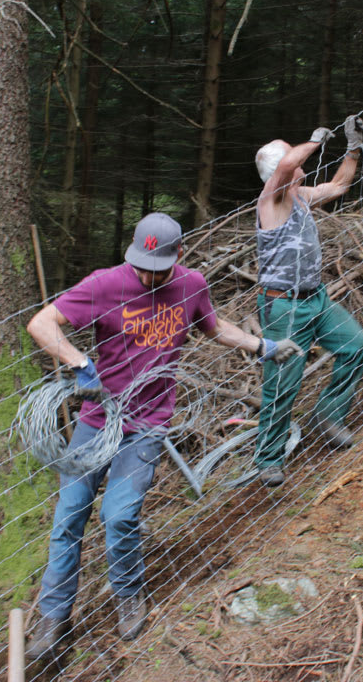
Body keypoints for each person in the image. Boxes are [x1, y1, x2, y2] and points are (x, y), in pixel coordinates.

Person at [24, 212, 301, 657]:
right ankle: (54, 616)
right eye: (141, 266)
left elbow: (215, 328)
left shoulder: (191, 285)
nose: (147, 275)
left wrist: (262, 346)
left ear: (178, 256)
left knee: (119, 516)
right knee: (70, 515)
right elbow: (42, 323)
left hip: (148, 424)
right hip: (97, 421)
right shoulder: (104, 284)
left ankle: (128, 595)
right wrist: (81, 364)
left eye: (156, 269)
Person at [251, 116, 363, 487]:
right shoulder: (271, 199)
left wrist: (353, 148)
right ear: (280, 170)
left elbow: (339, 185)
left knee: (356, 346)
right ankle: (268, 459)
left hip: (315, 298)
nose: (298, 160)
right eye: (291, 156)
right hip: (283, 306)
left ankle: (329, 414)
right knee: (282, 384)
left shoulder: (301, 197)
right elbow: (289, 162)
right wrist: (317, 138)